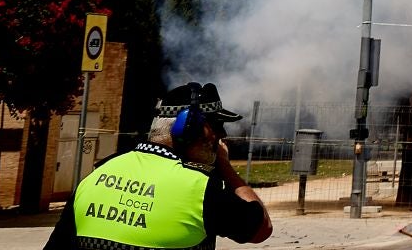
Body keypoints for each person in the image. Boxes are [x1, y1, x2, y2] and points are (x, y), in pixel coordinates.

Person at [44, 81, 273, 249]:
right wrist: (225, 165)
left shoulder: (96, 175)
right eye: (217, 126)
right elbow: (261, 228)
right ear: (190, 129)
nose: (222, 135)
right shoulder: (199, 189)